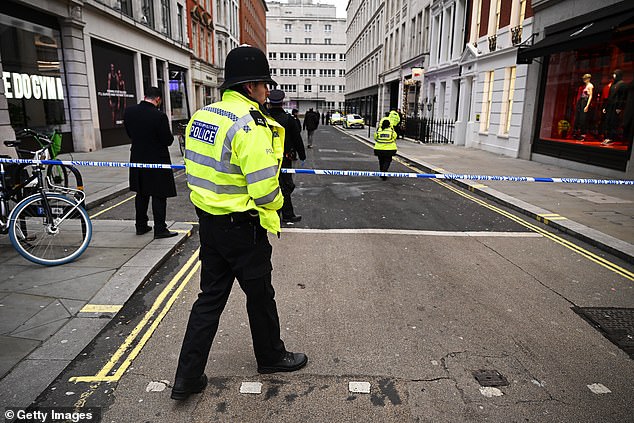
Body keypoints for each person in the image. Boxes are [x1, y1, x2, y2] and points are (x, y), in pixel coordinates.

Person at [172, 45, 308, 401]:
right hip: (242, 226)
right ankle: (271, 356)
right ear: (250, 86)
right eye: (264, 84)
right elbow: (264, 188)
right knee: (260, 295)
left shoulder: (203, 116)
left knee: (210, 298)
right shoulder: (250, 123)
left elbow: (193, 169)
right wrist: (277, 206)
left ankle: (187, 376)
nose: (267, 91)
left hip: (210, 223)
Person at [123, 86, 178, 239]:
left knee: (141, 193)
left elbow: (129, 134)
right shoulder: (159, 116)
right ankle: (160, 229)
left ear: (145, 96)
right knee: (159, 195)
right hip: (157, 160)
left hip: (137, 158)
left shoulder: (129, 112)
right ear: (158, 99)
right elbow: (167, 140)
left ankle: (141, 226)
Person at [268, 89, 306, 223]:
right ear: (282, 103)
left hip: (266, 158)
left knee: (269, 185)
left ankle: (274, 214)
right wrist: (302, 155)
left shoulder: (263, 117)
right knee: (286, 186)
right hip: (284, 158)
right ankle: (287, 214)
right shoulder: (288, 120)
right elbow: (297, 139)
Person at [602, 69, 627, 145]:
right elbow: (609, 96)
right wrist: (605, 107)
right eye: (613, 74)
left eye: (615, 74)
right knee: (608, 121)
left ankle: (612, 138)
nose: (614, 76)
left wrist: (619, 107)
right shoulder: (613, 84)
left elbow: (623, 97)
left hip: (616, 106)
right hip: (610, 106)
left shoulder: (622, 84)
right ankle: (607, 137)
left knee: (613, 122)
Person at [573, 74, 594, 141]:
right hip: (581, 101)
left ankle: (583, 134)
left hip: (585, 101)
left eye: (585, 78)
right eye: (584, 78)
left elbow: (590, 96)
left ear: (588, 78)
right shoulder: (584, 86)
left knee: (583, 118)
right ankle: (578, 133)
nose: (584, 80)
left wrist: (587, 105)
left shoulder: (590, 86)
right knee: (579, 117)